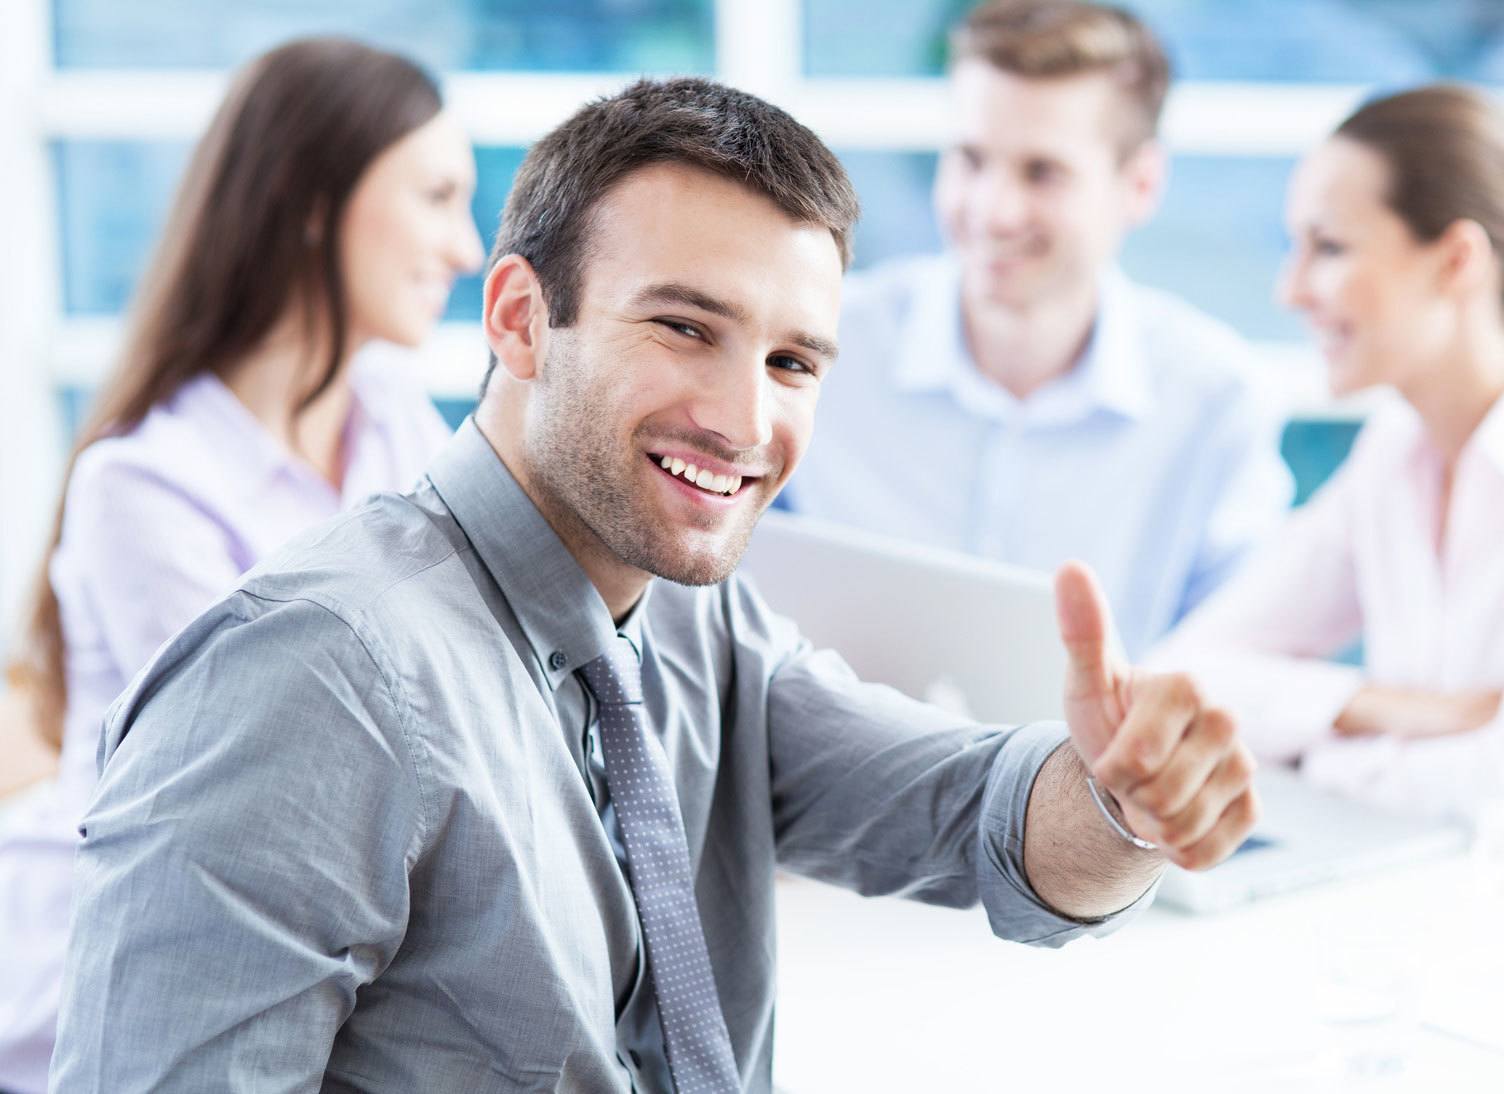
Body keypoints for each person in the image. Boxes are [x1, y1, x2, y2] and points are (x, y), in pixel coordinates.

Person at [50, 77, 1257, 1093]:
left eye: (791, 361)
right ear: (521, 320)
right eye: (684, 327)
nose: (744, 419)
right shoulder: (314, 674)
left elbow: (961, 814)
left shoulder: (690, 618)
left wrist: (1120, 808)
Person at [0, 36, 483, 1092]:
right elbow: (286, 780)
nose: (465, 247)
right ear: (311, 199)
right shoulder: (145, 485)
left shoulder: (400, 425)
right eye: (438, 196)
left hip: (319, 935)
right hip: (109, 972)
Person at [787, 0, 1292, 658]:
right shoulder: (816, 346)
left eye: (1042, 172)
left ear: (1139, 184)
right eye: (971, 159)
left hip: (1097, 765)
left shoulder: (1215, 402)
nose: (993, 211)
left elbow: (1239, 669)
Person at [1150, 84, 1504, 826]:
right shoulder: (1394, 454)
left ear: (1456, 260)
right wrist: (1373, 706)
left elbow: (1487, 798)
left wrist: (1327, 754)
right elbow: (1175, 680)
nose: (1291, 291)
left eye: (1330, 248)